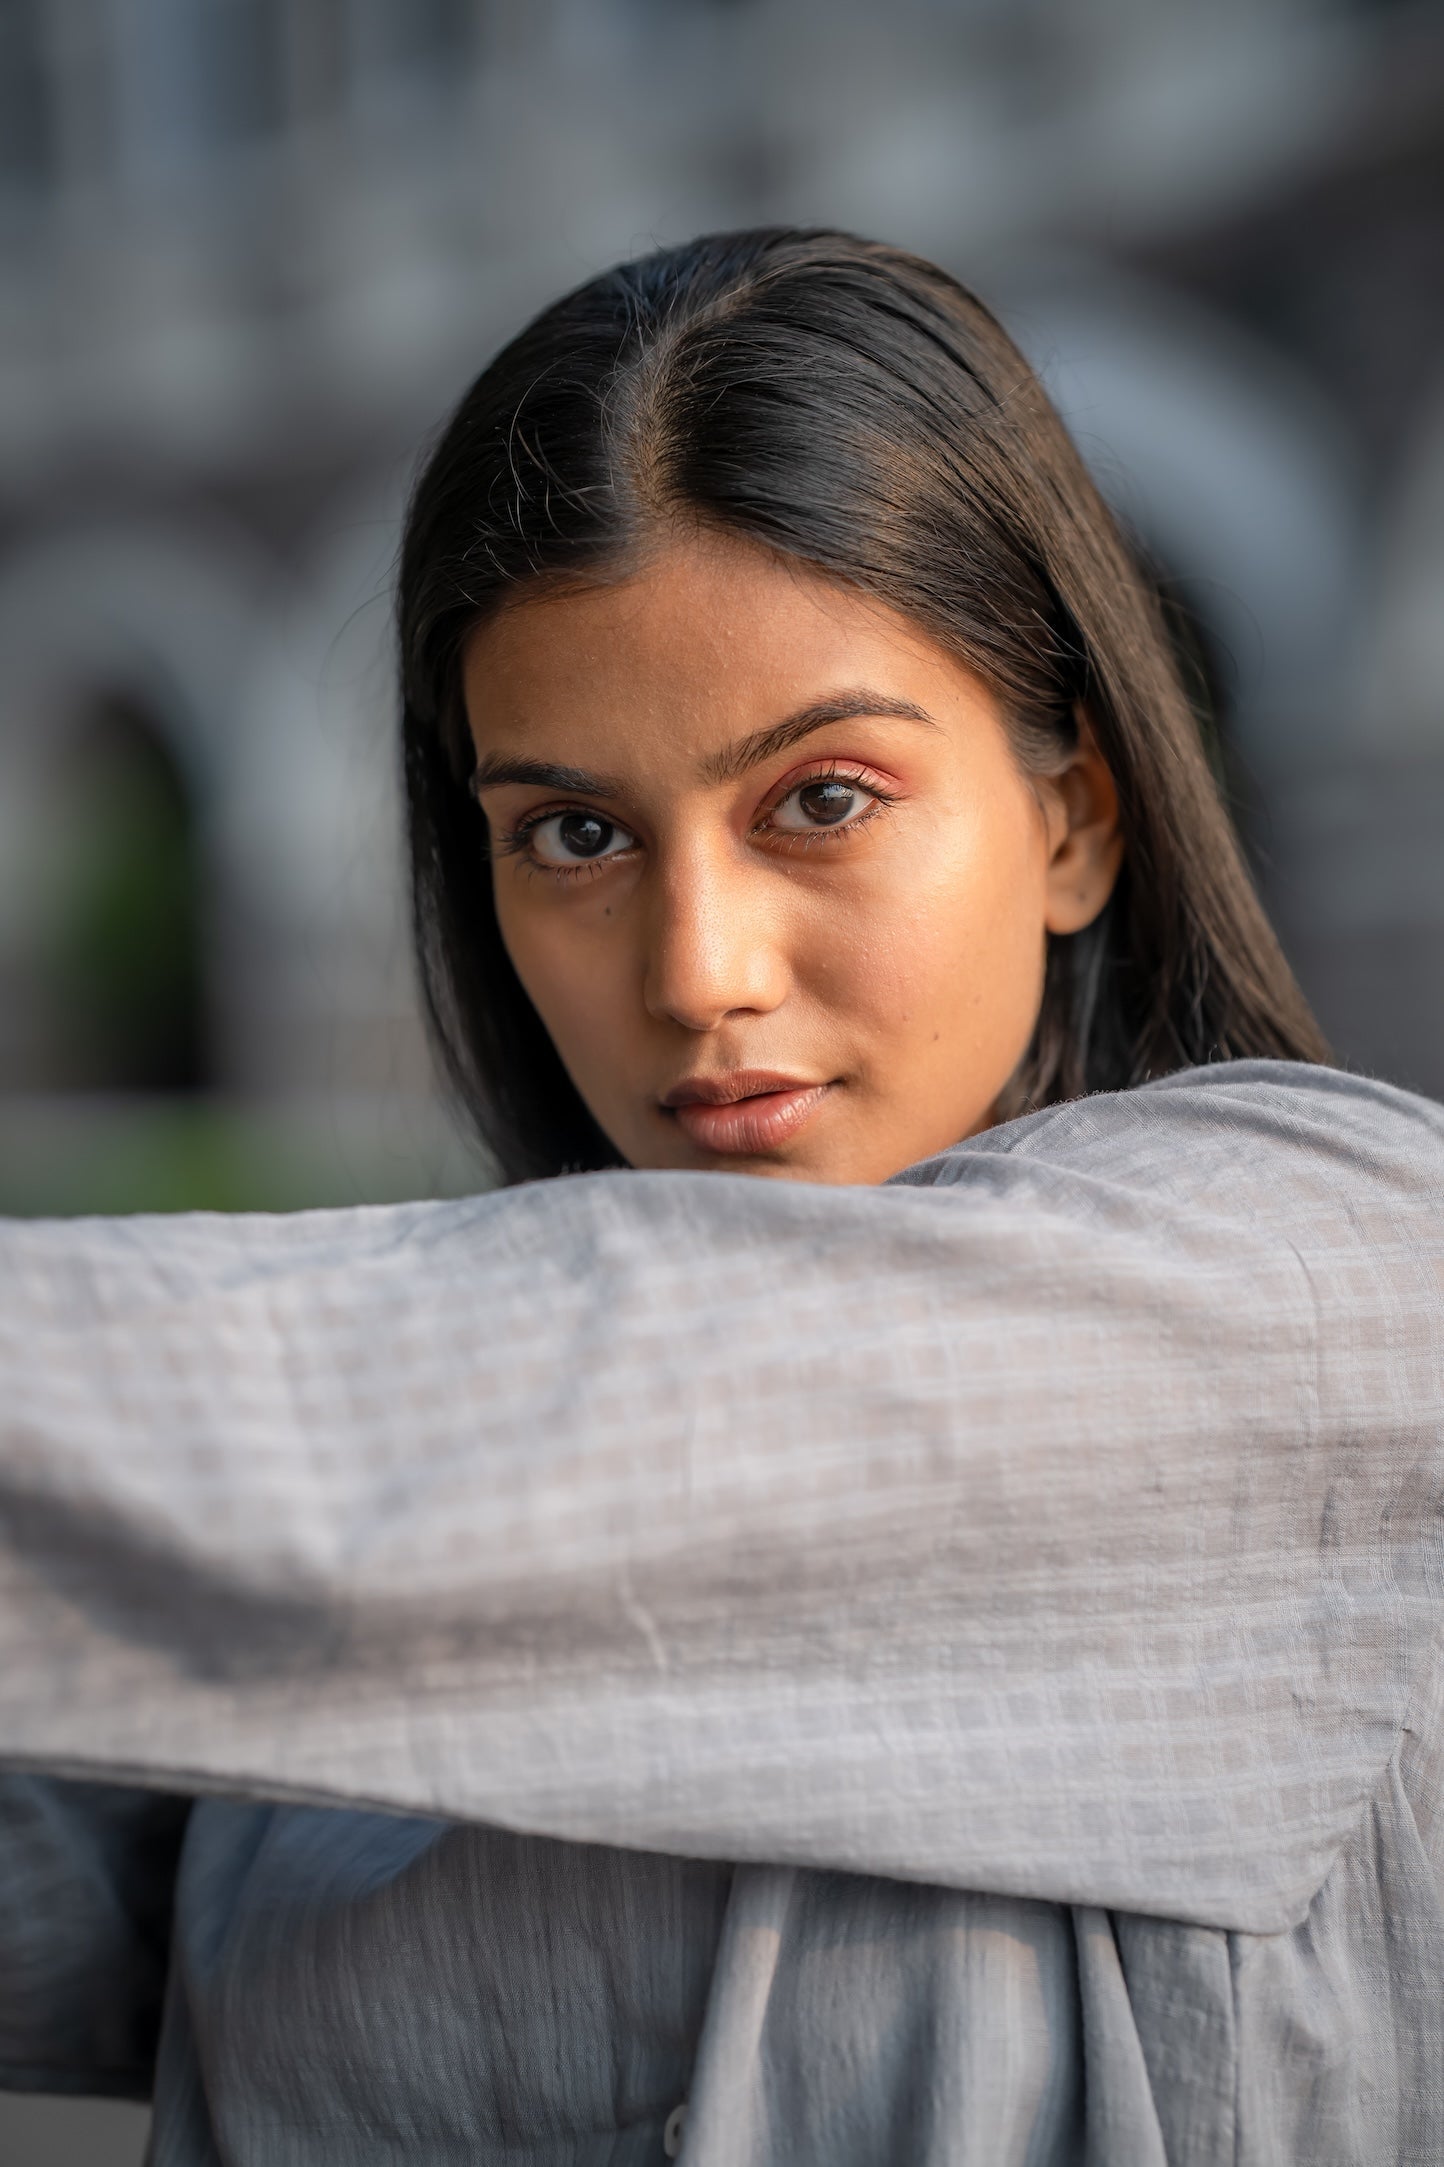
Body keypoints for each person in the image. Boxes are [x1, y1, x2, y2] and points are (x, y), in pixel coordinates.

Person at [2, 229, 1442, 2167]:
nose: (696, 969)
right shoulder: (376, 1594)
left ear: (1071, 818)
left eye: (819, 799)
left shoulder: (1323, 1283)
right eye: (575, 834)